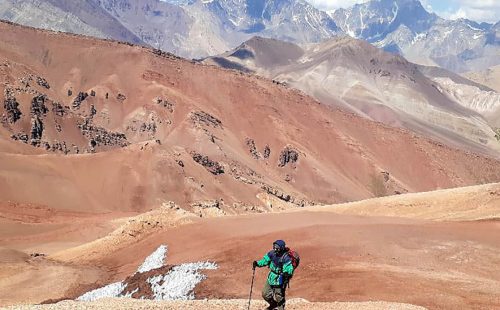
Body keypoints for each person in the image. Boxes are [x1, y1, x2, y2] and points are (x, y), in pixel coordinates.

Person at [252, 240, 294, 310]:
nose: (275, 249)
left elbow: (288, 268)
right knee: (265, 294)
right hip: (271, 277)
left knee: (279, 297)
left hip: (280, 279)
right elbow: (265, 261)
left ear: (282, 248)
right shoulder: (271, 253)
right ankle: (273, 304)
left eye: (277, 247)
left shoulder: (286, 257)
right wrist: (257, 263)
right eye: (274, 246)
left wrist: (286, 274)